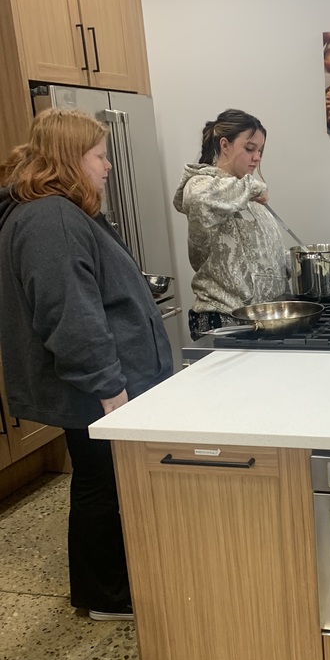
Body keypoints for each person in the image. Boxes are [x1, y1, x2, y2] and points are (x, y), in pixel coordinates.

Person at [0, 108, 174, 621]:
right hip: (97, 389)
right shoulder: (51, 218)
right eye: (99, 156)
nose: (108, 166)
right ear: (70, 159)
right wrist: (110, 390)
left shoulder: (60, 211)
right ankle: (107, 596)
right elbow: (70, 315)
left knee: (102, 482)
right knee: (102, 485)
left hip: (101, 384)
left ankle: (109, 587)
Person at [173, 109, 290, 340]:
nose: (256, 157)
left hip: (259, 322)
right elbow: (199, 199)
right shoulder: (202, 183)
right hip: (224, 321)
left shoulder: (243, 192)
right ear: (224, 145)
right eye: (249, 148)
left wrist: (297, 262)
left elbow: (260, 254)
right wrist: (254, 187)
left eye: (260, 150)